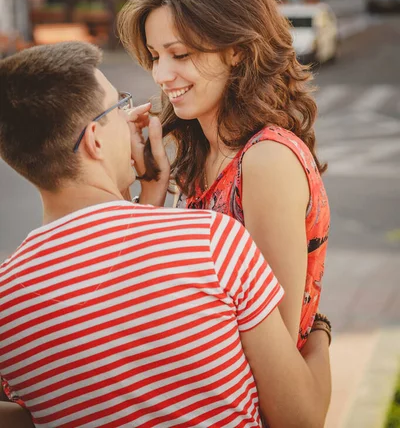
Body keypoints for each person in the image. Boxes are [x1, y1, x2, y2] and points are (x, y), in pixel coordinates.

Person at [0, 42, 331, 428]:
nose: (133, 117)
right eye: (119, 107)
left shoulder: (8, 300)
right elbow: (299, 420)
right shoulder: (211, 243)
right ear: (94, 139)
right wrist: (319, 329)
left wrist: (147, 200)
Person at [118, 0, 330, 349]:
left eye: (179, 54)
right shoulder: (202, 151)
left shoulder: (266, 161)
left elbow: (278, 350)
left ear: (236, 51)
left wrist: (319, 335)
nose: (161, 75)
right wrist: (151, 189)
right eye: (154, 56)